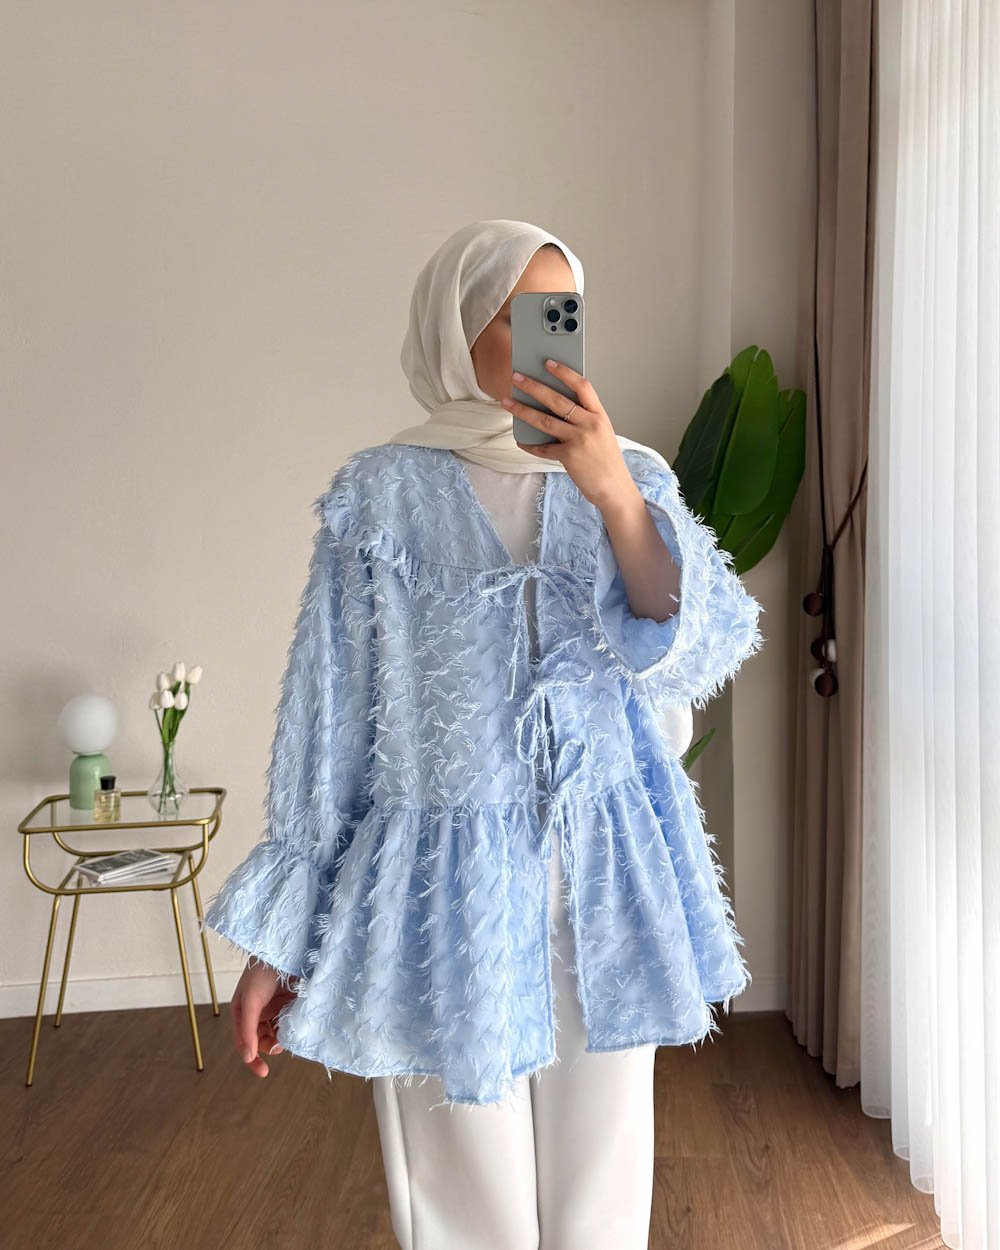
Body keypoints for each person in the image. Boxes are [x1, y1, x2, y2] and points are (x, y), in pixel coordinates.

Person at [201, 219, 765, 1250]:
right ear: (455, 331)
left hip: (607, 869)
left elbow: (698, 648)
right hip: (436, 884)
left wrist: (610, 491)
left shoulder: (631, 473)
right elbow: (327, 720)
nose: (547, 339)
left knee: (602, 1191)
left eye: (562, 313)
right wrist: (280, 940)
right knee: (463, 1192)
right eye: (516, 316)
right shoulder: (381, 493)